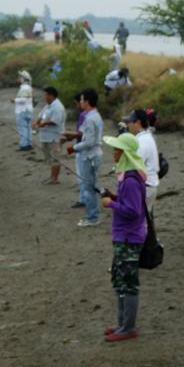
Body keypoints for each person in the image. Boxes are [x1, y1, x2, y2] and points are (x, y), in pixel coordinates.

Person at [100, 132, 147, 342]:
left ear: (124, 153)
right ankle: (122, 324)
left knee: (128, 283)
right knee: (119, 281)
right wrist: (116, 198)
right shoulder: (129, 178)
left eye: (117, 149)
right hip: (124, 237)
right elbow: (130, 204)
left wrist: (111, 204)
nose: (114, 152)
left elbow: (134, 211)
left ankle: (128, 328)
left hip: (129, 238)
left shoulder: (131, 180)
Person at [66, 89, 103, 226]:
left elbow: (89, 142)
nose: (80, 102)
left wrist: (73, 148)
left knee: (88, 188)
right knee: (92, 186)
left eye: (81, 100)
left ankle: (92, 217)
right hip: (93, 155)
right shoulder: (95, 116)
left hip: (90, 157)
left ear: (87, 101)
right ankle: (93, 215)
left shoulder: (90, 118)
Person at [123, 109, 159, 212]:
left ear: (137, 123)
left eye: (129, 122)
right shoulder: (146, 137)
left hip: (145, 187)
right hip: (149, 185)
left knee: (138, 223)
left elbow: (133, 166)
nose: (128, 125)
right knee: (144, 221)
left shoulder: (141, 141)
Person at [33, 86, 65, 184]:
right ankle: (52, 176)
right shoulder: (48, 106)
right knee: (49, 158)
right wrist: (36, 123)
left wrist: (44, 123)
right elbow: (41, 116)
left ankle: (54, 178)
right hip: (45, 136)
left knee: (55, 158)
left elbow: (56, 121)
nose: (45, 96)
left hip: (54, 137)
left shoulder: (58, 106)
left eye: (46, 95)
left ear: (51, 95)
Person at [10, 70, 34, 151]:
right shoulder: (29, 87)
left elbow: (23, 100)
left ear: (23, 79)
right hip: (28, 110)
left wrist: (14, 100)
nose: (19, 78)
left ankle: (24, 145)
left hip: (22, 111)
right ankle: (29, 144)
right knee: (28, 128)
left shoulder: (24, 88)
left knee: (22, 128)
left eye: (20, 77)